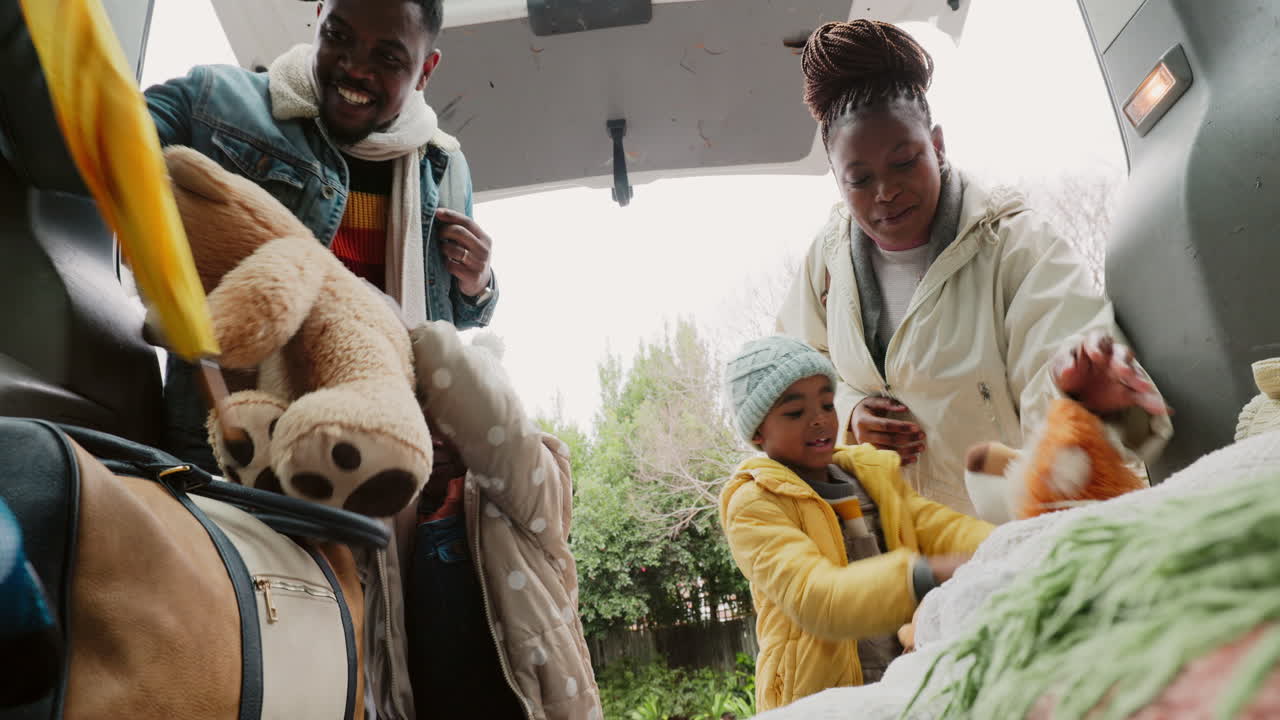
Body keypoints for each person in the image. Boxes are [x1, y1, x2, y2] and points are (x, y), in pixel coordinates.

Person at [776, 19, 1171, 513]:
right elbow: (795, 378)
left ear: (937, 145)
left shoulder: (1016, 246)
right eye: (859, 179)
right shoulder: (827, 261)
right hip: (900, 560)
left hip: (1004, 538)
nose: (885, 192)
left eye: (904, 162)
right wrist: (849, 409)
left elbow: (1058, 365)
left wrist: (1089, 402)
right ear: (837, 180)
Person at [144, 0, 498, 472]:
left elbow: (451, 318)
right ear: (318, 17)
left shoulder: (446, 166)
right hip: (230, 446)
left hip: (376, 448)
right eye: (338, 37)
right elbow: (109, 134)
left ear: (426, 69)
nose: (354, 69)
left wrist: (479, 283)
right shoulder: (217, 102)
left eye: (388, 58)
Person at [718, 336, 993, 711]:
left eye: (827, 404)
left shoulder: (870, 476)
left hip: (901, 684)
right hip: (820, 701)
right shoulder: (756, 503)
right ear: (757, 434)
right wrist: (922, 575)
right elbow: (818, 598)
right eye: (795, 412)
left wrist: (1007, 544)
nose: (819, 419)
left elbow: (940, 527)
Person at [402, 322, 601, 719]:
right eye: (421, 420)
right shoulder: (399, 510)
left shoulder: (524, 488)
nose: (436, 438)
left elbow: (498, 431)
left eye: (449, 420)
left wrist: (407, 334)